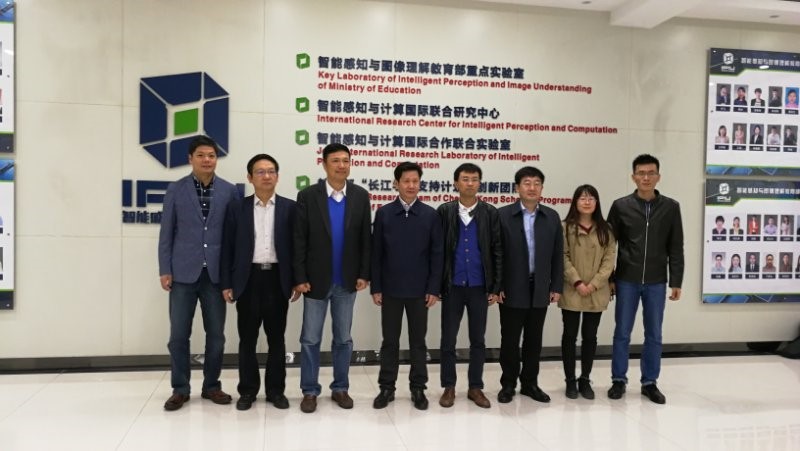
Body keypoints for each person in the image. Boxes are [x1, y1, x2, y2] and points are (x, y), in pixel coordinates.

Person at [158, 135, 241, 411]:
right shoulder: (176, 189)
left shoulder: (230, 191)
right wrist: (165, 268)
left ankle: (212, 386)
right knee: (178, 336)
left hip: (216, 276)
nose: (207, 160)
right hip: (182, 273)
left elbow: (234, 236)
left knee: (216, 336)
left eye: (212, 155)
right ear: (190, 159)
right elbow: (167, 232)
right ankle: (180, 389)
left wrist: (232, 274)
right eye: (201, 155)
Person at [293, 143, 371, 414]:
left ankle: (340, 388)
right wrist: (300, 276)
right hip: (315, 281)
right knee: (310, 339)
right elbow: (299, 239)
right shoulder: (308, 196)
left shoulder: (360, 196)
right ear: (324, 164)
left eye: (345, 161)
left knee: (343, 339)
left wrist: (364, 273)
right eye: (335, 161)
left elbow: (365, 238)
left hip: (346, 282)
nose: (341, 165)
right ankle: (309, 390)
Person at [220, 154, 299, 411]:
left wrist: (296, 280)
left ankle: (276, 391)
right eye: (260, 172)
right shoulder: (237, 208)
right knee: (247, 339)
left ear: (277, 176)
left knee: (277, 338)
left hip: (277, 279)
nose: (266, 176)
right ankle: (247, 390)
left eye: (271, 171)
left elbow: (297, 248)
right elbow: (227, 248)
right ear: (250, 177)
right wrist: (226, 283)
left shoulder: (290, 208)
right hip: (247, 279)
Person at [607, 154, 684, 405]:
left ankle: (649, 382)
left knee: (654, 334)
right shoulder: (620, 206)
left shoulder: (671, 207)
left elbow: (676, 246)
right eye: (641, 173)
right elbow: (608, 245)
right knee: (622, 332)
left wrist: (676, 280)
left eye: (651, 173)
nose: (646, 177)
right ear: (633, 177)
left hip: (656, 281)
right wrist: (610, 278)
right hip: (626, 279)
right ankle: (618, 379)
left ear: (658, 177)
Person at [371, 162, 443, 411]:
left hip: (420, 292)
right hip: (390, 290)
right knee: (390, 341)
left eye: (415, 181)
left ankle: (418, 388)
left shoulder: (430, 215)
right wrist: (376, 287)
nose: (411, 185)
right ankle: (387, 387)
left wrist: (433, 288)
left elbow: (437, 255)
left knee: (418, 342)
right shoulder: (384, 213)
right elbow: (376, 253)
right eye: (406, 181)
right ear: (396, 183)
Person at [497, 166, 564, 404]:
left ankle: (530, 383)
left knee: (534, 340)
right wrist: (497, 286)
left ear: (542, 188)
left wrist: (556, 285)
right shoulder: (503, 216)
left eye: (537, 183)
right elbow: (497, 254)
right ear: (517, 188)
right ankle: (508, 384)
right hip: (511, 287)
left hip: (540, 288)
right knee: (510, 340)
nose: (532, 187)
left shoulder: (551, 217)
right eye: (527, 183)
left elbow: (558, 255)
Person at [437, 163, 502, 409]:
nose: (470, 183)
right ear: (456, 183)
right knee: (448, 339)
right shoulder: (444, 212)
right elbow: (437, 251)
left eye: (474, 179)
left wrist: (495, 286)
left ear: (479, 183)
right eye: (465, 179)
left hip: (479, 286)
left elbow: (497, 251)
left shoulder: (490, 213)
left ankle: (475, 387)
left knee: (478, 340)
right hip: (452, 286)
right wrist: (437, 284)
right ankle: (449, 387)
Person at [559, 185, 615, 400]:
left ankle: (585, 379)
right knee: (569, 336)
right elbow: (562, 256)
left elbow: (609, 260)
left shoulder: (606, 229)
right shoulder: (565, 227)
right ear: (575, 202)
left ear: (597, 203)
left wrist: (593, 284)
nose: (587, 202)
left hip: (596, 291)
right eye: (582, 198)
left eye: (591, 198)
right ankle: (570, 380)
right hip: (572, 289)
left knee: (590, 337)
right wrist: (577, 282)